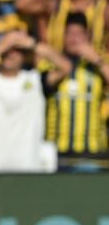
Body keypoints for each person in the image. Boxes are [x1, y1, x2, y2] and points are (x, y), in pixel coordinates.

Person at [0, 30, 70, 173]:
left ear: (25, 55)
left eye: (17, 50)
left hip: (27, 169)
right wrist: (2, 46)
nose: (10, 53)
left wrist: (31, 44)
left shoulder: (35, 80)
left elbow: (65, 67)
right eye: (8, 50)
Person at [47, 13, 109, 167]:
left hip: (93, 155)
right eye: (69, 33)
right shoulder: (50, 65)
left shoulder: (98, 68)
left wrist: (97, 60)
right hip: (57, 156)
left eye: (79, 33)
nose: (74, 39)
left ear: (87, 37)